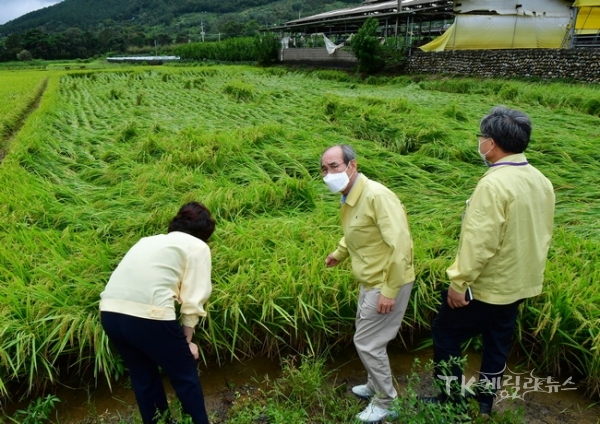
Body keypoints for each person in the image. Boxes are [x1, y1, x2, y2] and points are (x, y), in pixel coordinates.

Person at [426, 106, 555, 415]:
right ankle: (484, 404)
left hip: (488, 285)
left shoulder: (493, 184)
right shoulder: (541, 180)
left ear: (492, 143)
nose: (480, 142)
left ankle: (449, 402)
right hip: (519, 282)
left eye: (481, 137)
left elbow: (479, 242)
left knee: (446, 333)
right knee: (497, 342)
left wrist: (459, 282)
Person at [322, 145, 415, 423]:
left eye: (334, 166)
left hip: (387, 280)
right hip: (370, 278)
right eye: (324, 169)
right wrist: (339, 253)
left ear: (352, 165)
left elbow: (401, 246)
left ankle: (386, 401)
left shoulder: (376, 196)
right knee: (367, 335)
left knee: (367, 342)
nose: (329, 174)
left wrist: (389, 291)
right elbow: (357, 232)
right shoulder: (350, 196)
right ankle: (375, 385)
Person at [100, 201, 215, 424]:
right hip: (149, 317)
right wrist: (186, 341)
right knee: (185, 376)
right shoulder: (198, 246)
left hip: (110, 312)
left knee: (144, 377)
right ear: (204, 233)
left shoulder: (148, 241)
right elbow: (194, 298)